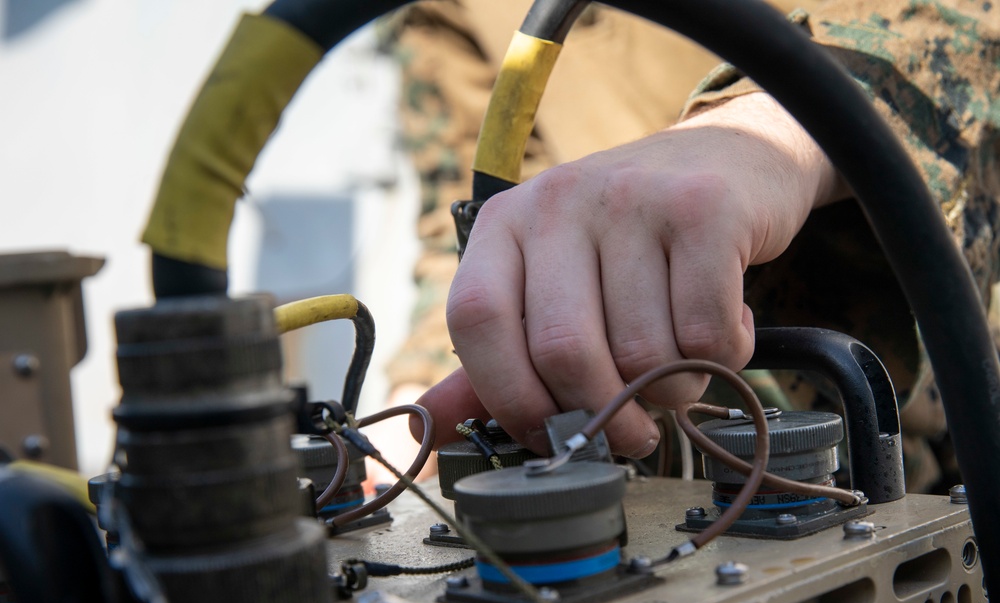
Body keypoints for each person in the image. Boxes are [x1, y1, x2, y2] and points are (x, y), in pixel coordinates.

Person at [392, 0, 1000, 492]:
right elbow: (473, 221)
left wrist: (773, 131)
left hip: (936, 445)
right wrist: (416, 392)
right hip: (652, 462)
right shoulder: (449, 14)